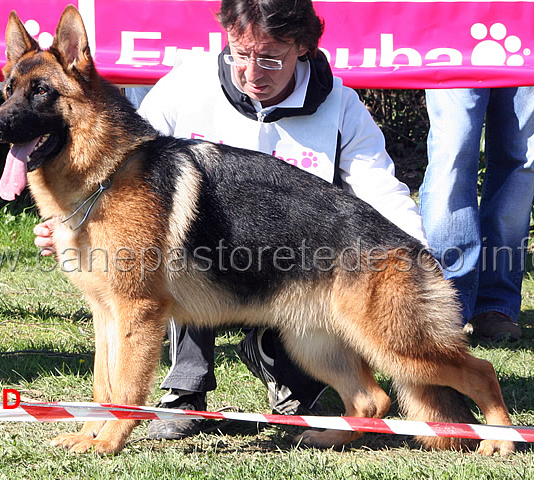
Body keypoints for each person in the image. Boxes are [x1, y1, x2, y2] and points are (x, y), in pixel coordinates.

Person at [35, 0, 428, 439]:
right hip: (203, 266)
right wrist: (70, 224)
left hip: (291, 269)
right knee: (169, 255)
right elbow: (123, 165)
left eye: (271, 58)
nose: (253, 71)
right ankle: (184, 392)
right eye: (241, 54)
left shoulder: (341, 107)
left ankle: (288, 375)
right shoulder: (187, 83)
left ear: (303, 47)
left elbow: (381, 191)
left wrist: (415, 262)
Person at [420, 87, 534, 342]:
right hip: (455, 47)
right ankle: (446, 300)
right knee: (452, 147)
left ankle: (496, 306)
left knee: (520, 159)